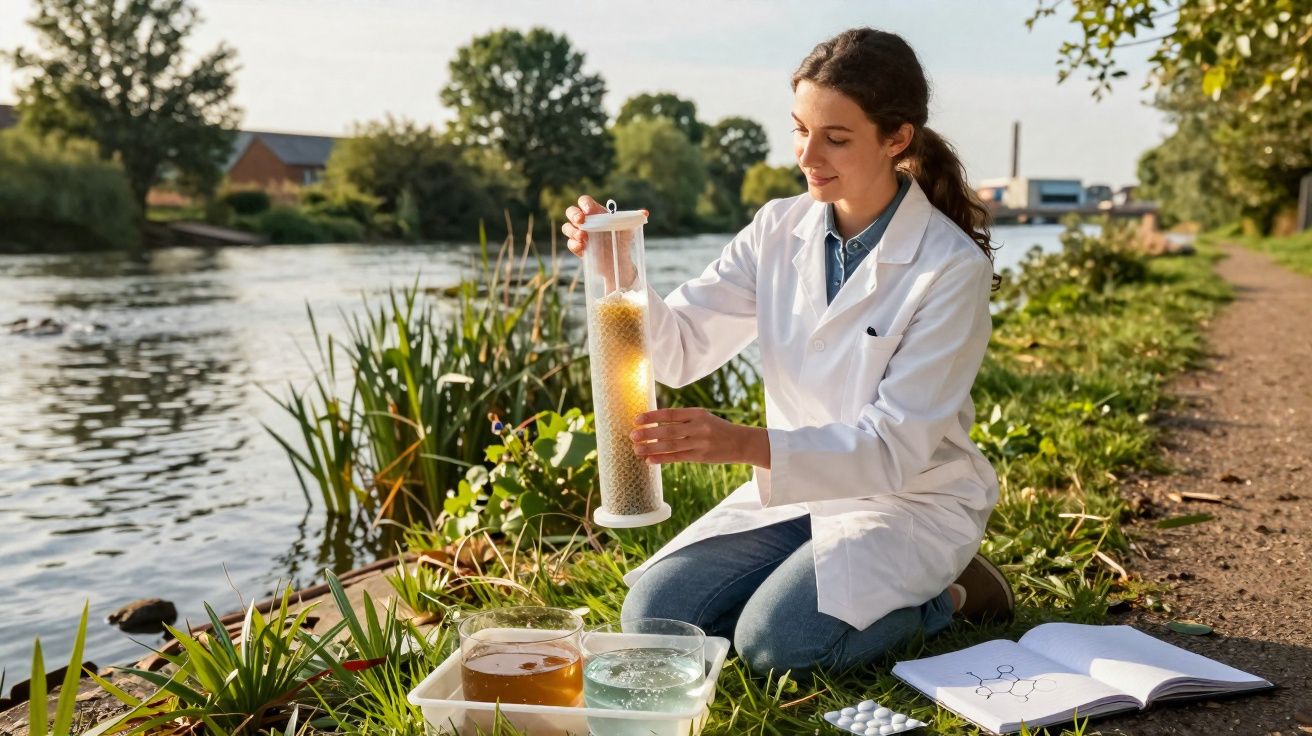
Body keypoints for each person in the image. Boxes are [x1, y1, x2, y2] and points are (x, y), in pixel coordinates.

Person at [560, 27, 1012, 676]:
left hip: (908, 499)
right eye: (799, 128)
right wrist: (617, 267)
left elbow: (891, 450)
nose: (807, 156)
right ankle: (802, 580)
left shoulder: (948, 268)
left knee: (777, 645)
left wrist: (742, 443)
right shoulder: (777, 227)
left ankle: (952, 594)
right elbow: (682, 348)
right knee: (655, 615)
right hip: (799, 495)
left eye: (836, 137)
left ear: (897, 138)